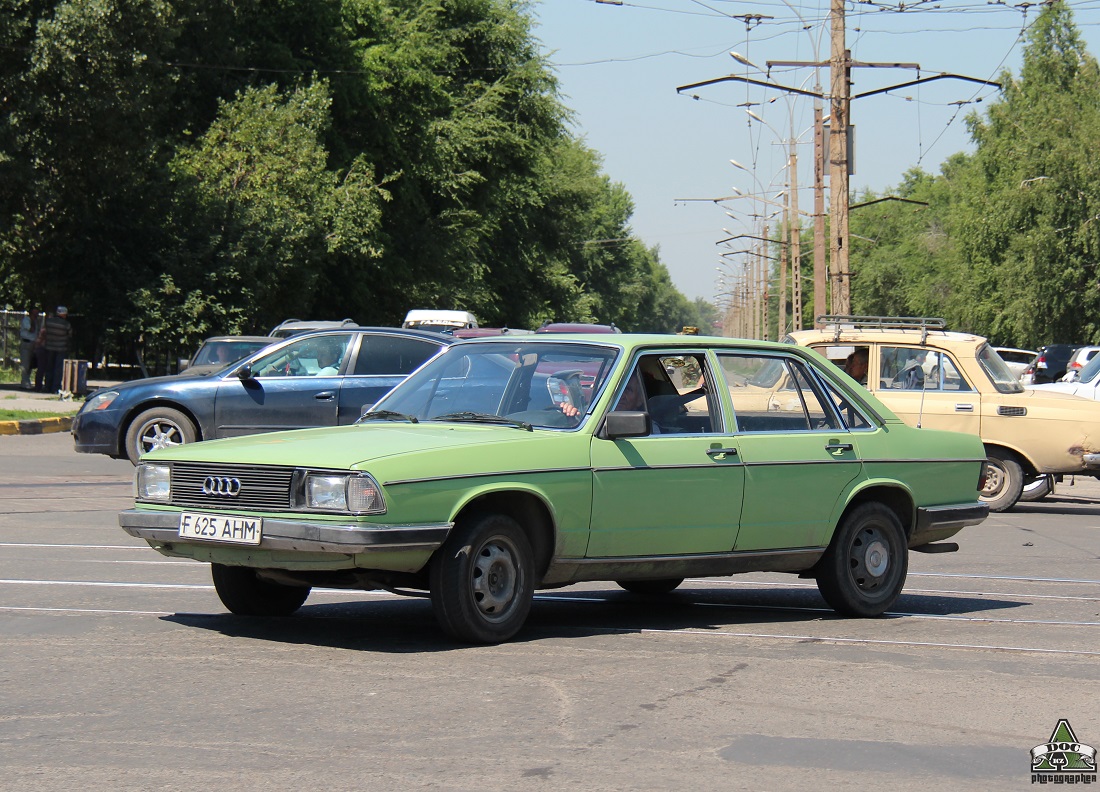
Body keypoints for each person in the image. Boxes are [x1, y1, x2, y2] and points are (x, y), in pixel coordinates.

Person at [42, 305, 72, 394]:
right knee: (58, 369)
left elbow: (44, 332)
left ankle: (47, 386)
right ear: (64, 314)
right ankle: (55, 388)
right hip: (61, 348)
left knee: (49, 368)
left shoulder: (48, 322)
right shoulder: (66, 324)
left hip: (49, 347)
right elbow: (70, 335)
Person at [18, 307, 40, 390]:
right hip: (26, 342)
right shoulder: (27, 320)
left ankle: (27, 381)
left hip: (33, 344)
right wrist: (33, 320)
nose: (36, 315)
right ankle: (24, 382)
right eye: (34, 313)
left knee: (31, 364)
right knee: (25, 364)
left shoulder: (35, 321)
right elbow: (31, 330)